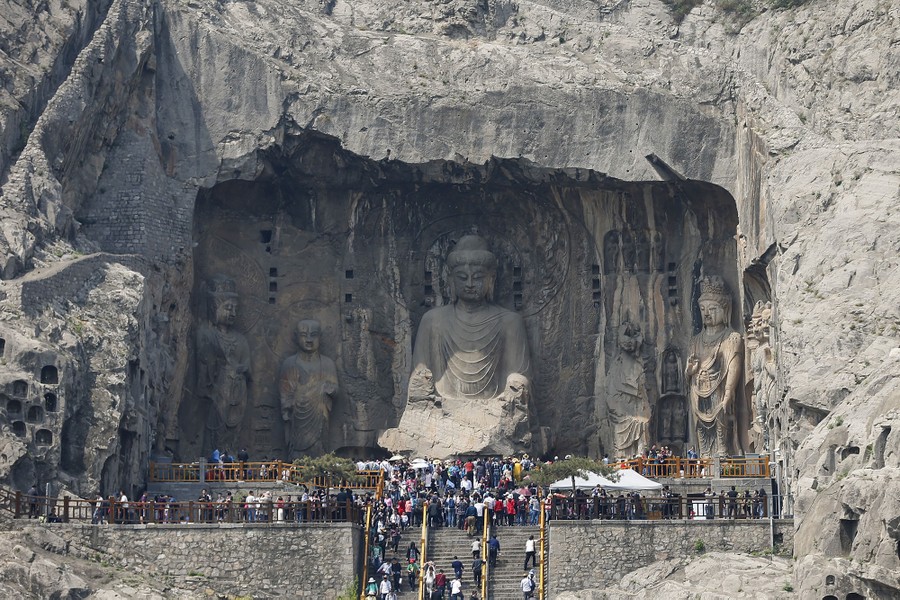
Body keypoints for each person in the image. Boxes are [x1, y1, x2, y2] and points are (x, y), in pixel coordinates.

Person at [408, 235, 531, 403]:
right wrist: (420, 386)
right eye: (462, 277)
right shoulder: (432, 320)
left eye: (478, 277)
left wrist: (516, 385)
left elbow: (519, 375)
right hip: (440, 408)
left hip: (494, 408)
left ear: (491, 279)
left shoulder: (510, 322)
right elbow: (419, 374)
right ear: (451, 279)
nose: (470, 284)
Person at [685, 275, 745, 456]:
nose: (707, 314)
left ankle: (723, 452)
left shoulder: (732, 338)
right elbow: (690, 369)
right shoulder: (695, 340)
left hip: (719, 386)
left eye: (712, 309)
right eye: (703, 309)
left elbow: (733, 366)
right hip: (698, 387)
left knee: (721, 419)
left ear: (725, 310)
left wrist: (728, 391)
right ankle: (704, 455)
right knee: (699, 425)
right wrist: (690, 371)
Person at [279, 318, 338, 457]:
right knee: (296, 453)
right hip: (297, 418)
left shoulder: (327, 363)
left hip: (319, 416)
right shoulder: (290, 363)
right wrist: (295, 400)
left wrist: (326, 389)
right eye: (304, 335)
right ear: (296, 337)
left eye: (314, 335)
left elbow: (335, 389)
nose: (309, 340)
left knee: (319, 449)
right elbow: (285, 394)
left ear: (320, 337)